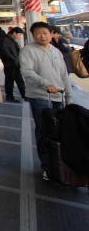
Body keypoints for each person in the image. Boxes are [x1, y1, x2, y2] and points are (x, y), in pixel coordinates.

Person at [19, 22, 73, 181]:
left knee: (59, 132)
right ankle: (47, 166)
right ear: (32, 35)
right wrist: (45, 84)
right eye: (37, 33)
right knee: (44, 130)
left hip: (59, 96)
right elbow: (26, 72)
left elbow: (64, 76)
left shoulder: (56, 51)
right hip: (40, 96)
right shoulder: (28, 51)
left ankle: (59, 164)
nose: (41, 36)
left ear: (51, 34)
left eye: (45, 33)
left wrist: (69, 97)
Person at [0, 28, 26, 102]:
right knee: (10, 81)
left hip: (14, 64)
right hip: (9, 64)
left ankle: (25, 95)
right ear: (14, 33)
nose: (19, 37)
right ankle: (9, 96)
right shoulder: (5, 40)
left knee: (20, 81)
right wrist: (14, 59)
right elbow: (5, 52)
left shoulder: (10, 40)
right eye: (19, 35)